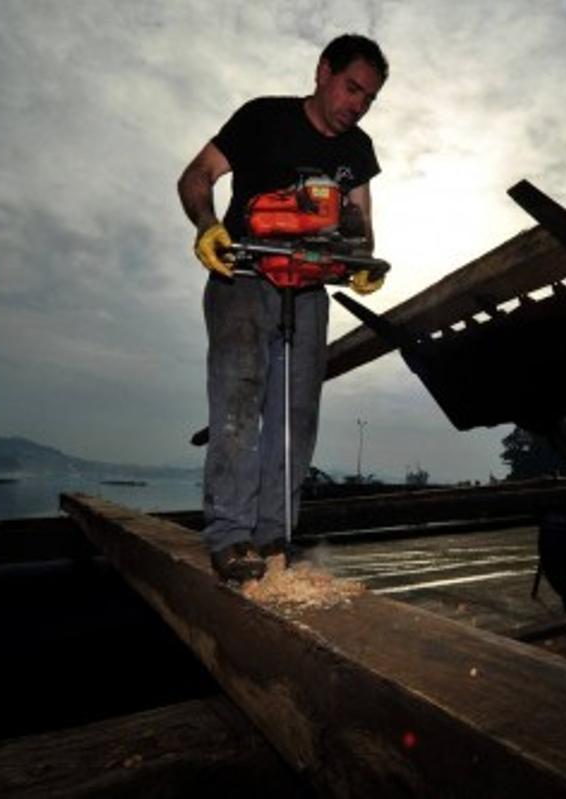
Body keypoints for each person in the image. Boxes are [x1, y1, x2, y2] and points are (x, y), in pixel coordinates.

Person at [177, 34, 388, 582]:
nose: (357, 105)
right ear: (323, 72)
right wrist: (207, 226)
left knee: (296, 418)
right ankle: (229, 535)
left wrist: (362, 262)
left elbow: (361, 222)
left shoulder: (357, 151)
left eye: (368, 99)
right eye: (351, 88)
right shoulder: (261, 118)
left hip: (309, 290)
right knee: (238, 405)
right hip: (243, 276)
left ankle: (274, 537)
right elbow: (195, 175)